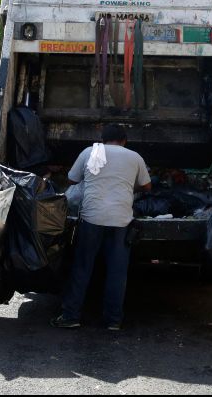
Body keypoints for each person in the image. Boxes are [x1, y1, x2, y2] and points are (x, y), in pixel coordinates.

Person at [51, 124, 151, 331]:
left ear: (103, 139)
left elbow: (71, 179)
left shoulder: (90, 152)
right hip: (121, 220)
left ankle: (71, 316)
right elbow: (147, 186)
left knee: (82, 268)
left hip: (92, 218)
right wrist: (128, 185)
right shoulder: (134, 157)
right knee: (117, 272)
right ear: (124, 140)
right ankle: (113, 321)